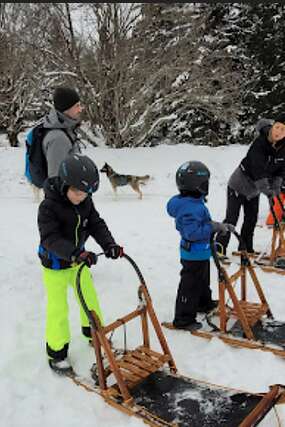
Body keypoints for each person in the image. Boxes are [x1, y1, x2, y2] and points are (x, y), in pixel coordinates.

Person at [37, 153, 123, 374]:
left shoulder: (85, 201)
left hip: (78, 262)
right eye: (77, 192)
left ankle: (94, 333)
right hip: (55, 265)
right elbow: (50, 239)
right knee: (58, 309)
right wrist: (75, 253)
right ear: (65, 184)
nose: (81, 197)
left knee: (89, 299)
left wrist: (109, 245)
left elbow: (95, 223)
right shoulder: (48, 206)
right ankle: (57, 353)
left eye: (86, 193)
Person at [166, 161, 234, 331]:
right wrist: (213, 227)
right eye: (205, 183)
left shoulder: (193, 203)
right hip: (193, 253)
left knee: (203, 279)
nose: (207, 187)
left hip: (201, 252)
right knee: (190, 285)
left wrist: (220, 225)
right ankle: (183, 318)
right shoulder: (189, 207)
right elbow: (193, 233)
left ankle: (203, 303)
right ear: (196, 186)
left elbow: (203, 223)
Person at [215, 113, 285, 258]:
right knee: (232, 218)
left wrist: (276, 189)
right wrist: (268, 191)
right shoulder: (259, 143)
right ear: (273, 126)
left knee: (251, 218)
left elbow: (280, 170)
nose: (279, 132)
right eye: (277, 127)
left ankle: (245, 247)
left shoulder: (283, 148)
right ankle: (219, 246)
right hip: (239, 185)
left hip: (254, 190)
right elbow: (258, 170)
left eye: (284, 130)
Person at [42, 86, 83, 178]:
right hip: (69, 191)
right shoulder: (58, 138)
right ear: (66, 109)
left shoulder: (66, 129)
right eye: (77, 106)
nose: (80, 109)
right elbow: (56, 179)